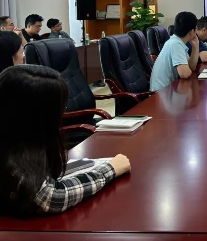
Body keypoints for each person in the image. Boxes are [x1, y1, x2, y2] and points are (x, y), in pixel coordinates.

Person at [0, 65, 131, 215]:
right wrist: (109, 169)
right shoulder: (13, 163)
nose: (64, 111)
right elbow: (52, 197)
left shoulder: (18, 142)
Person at [150, 12, 199, 91]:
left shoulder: (177, 41)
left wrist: (195, 47)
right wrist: (187, 69)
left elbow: (191, 67)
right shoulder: (175, 44)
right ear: (191, 32)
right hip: (160, 93)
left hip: (169, 90)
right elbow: (184, 74)